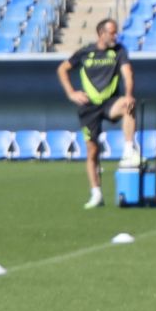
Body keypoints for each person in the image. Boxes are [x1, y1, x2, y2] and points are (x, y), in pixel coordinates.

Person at [57, 17, 138, 209]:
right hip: (88, 107)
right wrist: (71, 93)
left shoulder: (119, 51)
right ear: (101, 33)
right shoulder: (86, 52)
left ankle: (128, 150)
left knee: (129, 106)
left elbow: (128, 73)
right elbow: (62, 69)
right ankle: (96, 194)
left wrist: (128, 95)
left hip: (111, 102)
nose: (116, 36)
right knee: (92, 151)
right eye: (112, 32)